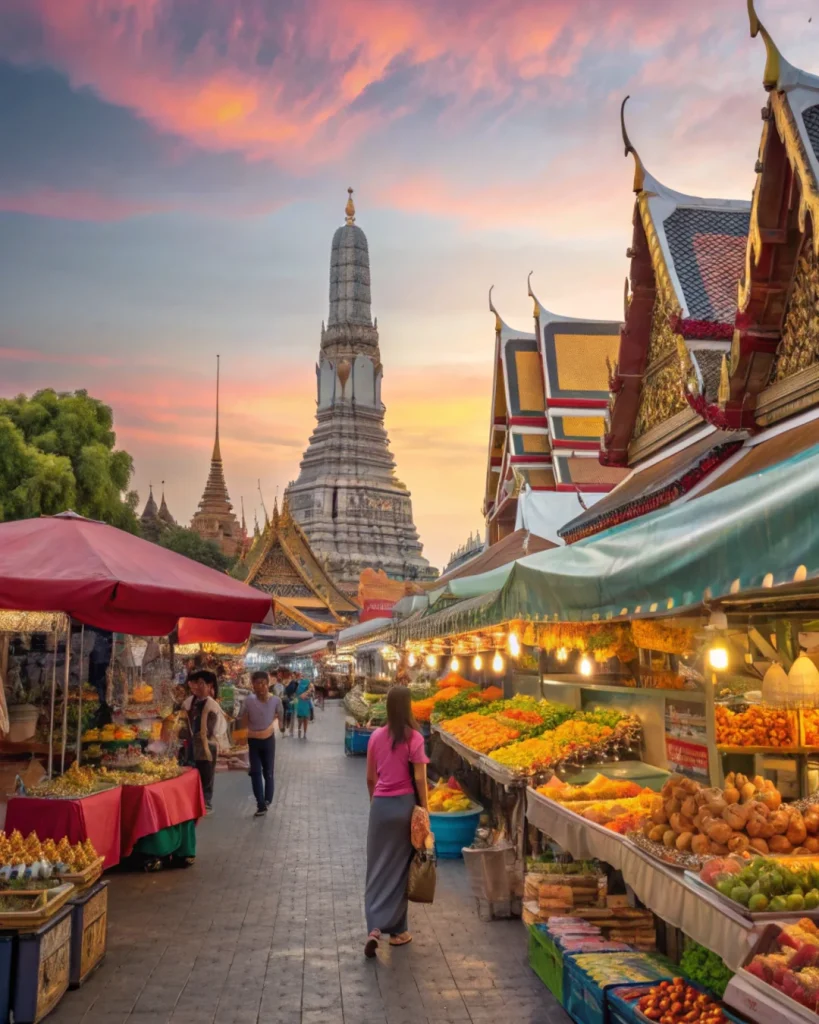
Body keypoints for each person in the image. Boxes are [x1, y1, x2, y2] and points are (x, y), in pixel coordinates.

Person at [363, 686, 429, 958]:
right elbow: (421, 779)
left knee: (376, 868)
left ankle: (374, 929)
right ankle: (398, 932)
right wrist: (425, 810)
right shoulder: (414, 737)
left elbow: (370, 777)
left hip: (380, 808)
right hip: (404, 808)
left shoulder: (376, 736)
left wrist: (376, 805)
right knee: (402, 868)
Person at [240, 671, 284, 817]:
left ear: (268, 684)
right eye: (257, 683)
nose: (261, 687)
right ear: (253, 685)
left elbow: (281, 712)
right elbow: (240, 716)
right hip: (253, 741)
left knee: (268, 772)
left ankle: (268, 800)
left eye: (264, 684)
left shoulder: (276, 700)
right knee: (255, 772)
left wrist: (282, 725)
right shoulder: (248, 701)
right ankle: (260, 804)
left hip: (268, 740)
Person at [182, 670, 221, 814]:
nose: (197, 687)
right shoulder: (188, 702)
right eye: (194, 683)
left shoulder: (212, 705)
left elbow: (212, 728)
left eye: (201, 683)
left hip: (207, 744)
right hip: (191, 743)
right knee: (191, 771)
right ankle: (192, 799)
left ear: (209, 685)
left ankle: (206, 801)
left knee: (206, 773)